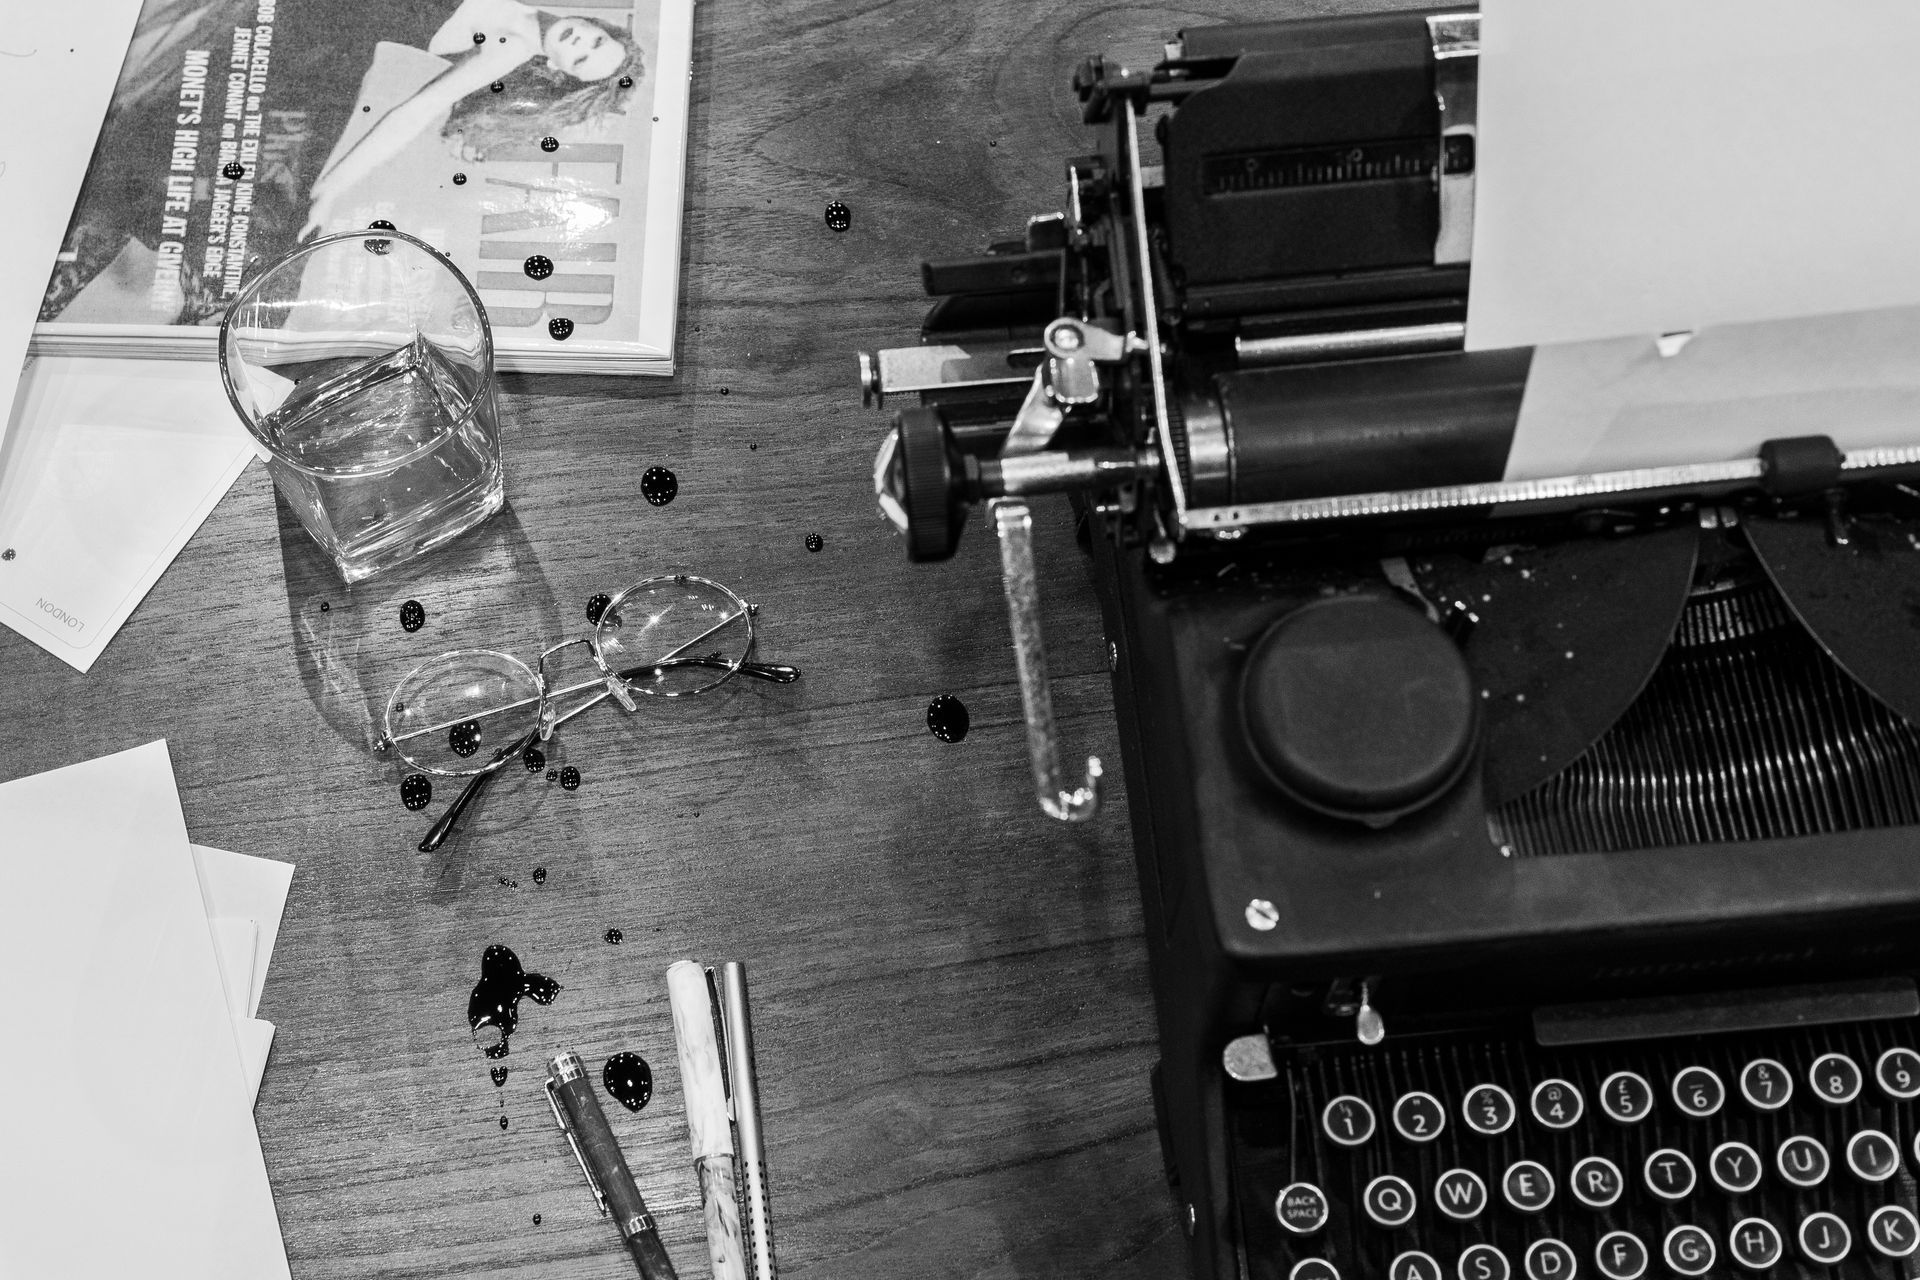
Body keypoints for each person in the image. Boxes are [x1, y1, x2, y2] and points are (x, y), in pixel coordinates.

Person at [299, 0, 642, 238]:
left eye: (580, 59)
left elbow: (411, 114)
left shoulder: (511, 48)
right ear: (594, 23)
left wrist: (333, 188)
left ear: (558, 68)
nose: (581, 43)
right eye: (598, 40)